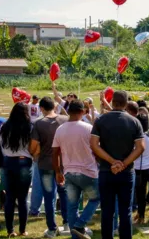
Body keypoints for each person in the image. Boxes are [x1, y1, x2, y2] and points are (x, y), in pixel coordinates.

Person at [90, 90, 145, 239]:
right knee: (125, 211)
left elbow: (94, 145)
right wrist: (124, 163)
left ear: (112, 102)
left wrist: (112, 161)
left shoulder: (101, 120)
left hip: (106, 171)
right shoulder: (134, 121)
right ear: (126, 104)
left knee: (107, 211)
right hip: (126, 172)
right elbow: (140, 147)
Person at [52, 100, 99, 239]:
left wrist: (57, 171)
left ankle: (75, 235)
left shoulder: (60, 129)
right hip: (88, 171)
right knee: (96, 198)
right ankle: (80, 224)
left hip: (69, 172)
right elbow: (96, 149)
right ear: (82, 111)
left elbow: (55, 152)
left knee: (72, 205)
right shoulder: (88, 128)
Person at [30, 97, 69, 238]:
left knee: (49, 196)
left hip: (45, 162)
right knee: (64, 193)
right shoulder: (65, 119)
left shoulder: (39, 123)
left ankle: (52, 228)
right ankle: (67, 222)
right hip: (63, 162)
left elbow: (34, 144)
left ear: (41, 108)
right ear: (54, 106)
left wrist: (33, 153)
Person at [0, 102, 33, 237]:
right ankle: (23, 230)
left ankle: (10, 230)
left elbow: (0, 145)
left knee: (10, 198)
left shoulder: (4, 126)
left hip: (8, 161)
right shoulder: (29, 127)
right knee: (23, 198)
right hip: (24, 161)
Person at [133, 112, 149, 225]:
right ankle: (139, 212)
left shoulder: (138, 136)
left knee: (140, 194)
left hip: (139, 167)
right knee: (142, 192)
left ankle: (141, 216)